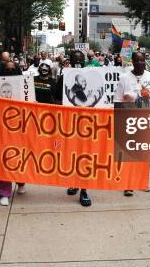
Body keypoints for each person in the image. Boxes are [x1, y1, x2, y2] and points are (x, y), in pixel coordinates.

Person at [114, 51, 150, 197]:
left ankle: (143, 182)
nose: (140, 63)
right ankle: (128, 184)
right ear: (132, 62)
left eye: (143, 60)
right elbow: (117, 102)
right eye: (138, 60)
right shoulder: (124, 78)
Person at [55, 50, 92, 207]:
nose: (78, 63)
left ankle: (84, 189)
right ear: (69, 61)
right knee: (71, 155)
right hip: (70, 123)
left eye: (80, 60)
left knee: (84, 156)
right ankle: (74, 182)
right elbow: (56, 97)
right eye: (75, 60)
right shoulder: (64, 77)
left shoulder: (92, 76)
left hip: (87, 124)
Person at [0, 60, 26, 205]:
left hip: (20, 126)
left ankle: (21, 181)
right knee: (3, 158)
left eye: (13, 70)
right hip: (1, 127)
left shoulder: (24, 85)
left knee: (21, 155)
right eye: (7, 70)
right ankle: (4, 192)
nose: (10, 72)